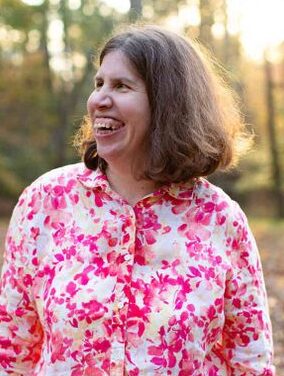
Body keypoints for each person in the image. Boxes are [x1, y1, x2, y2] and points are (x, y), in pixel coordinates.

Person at [0, 25, 275, 375]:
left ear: (168, 103)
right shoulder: (45, 202)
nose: (98, 99)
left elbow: (250, 360)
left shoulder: (220, 218)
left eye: (121, 86)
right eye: (99, 84)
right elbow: (12, 348)